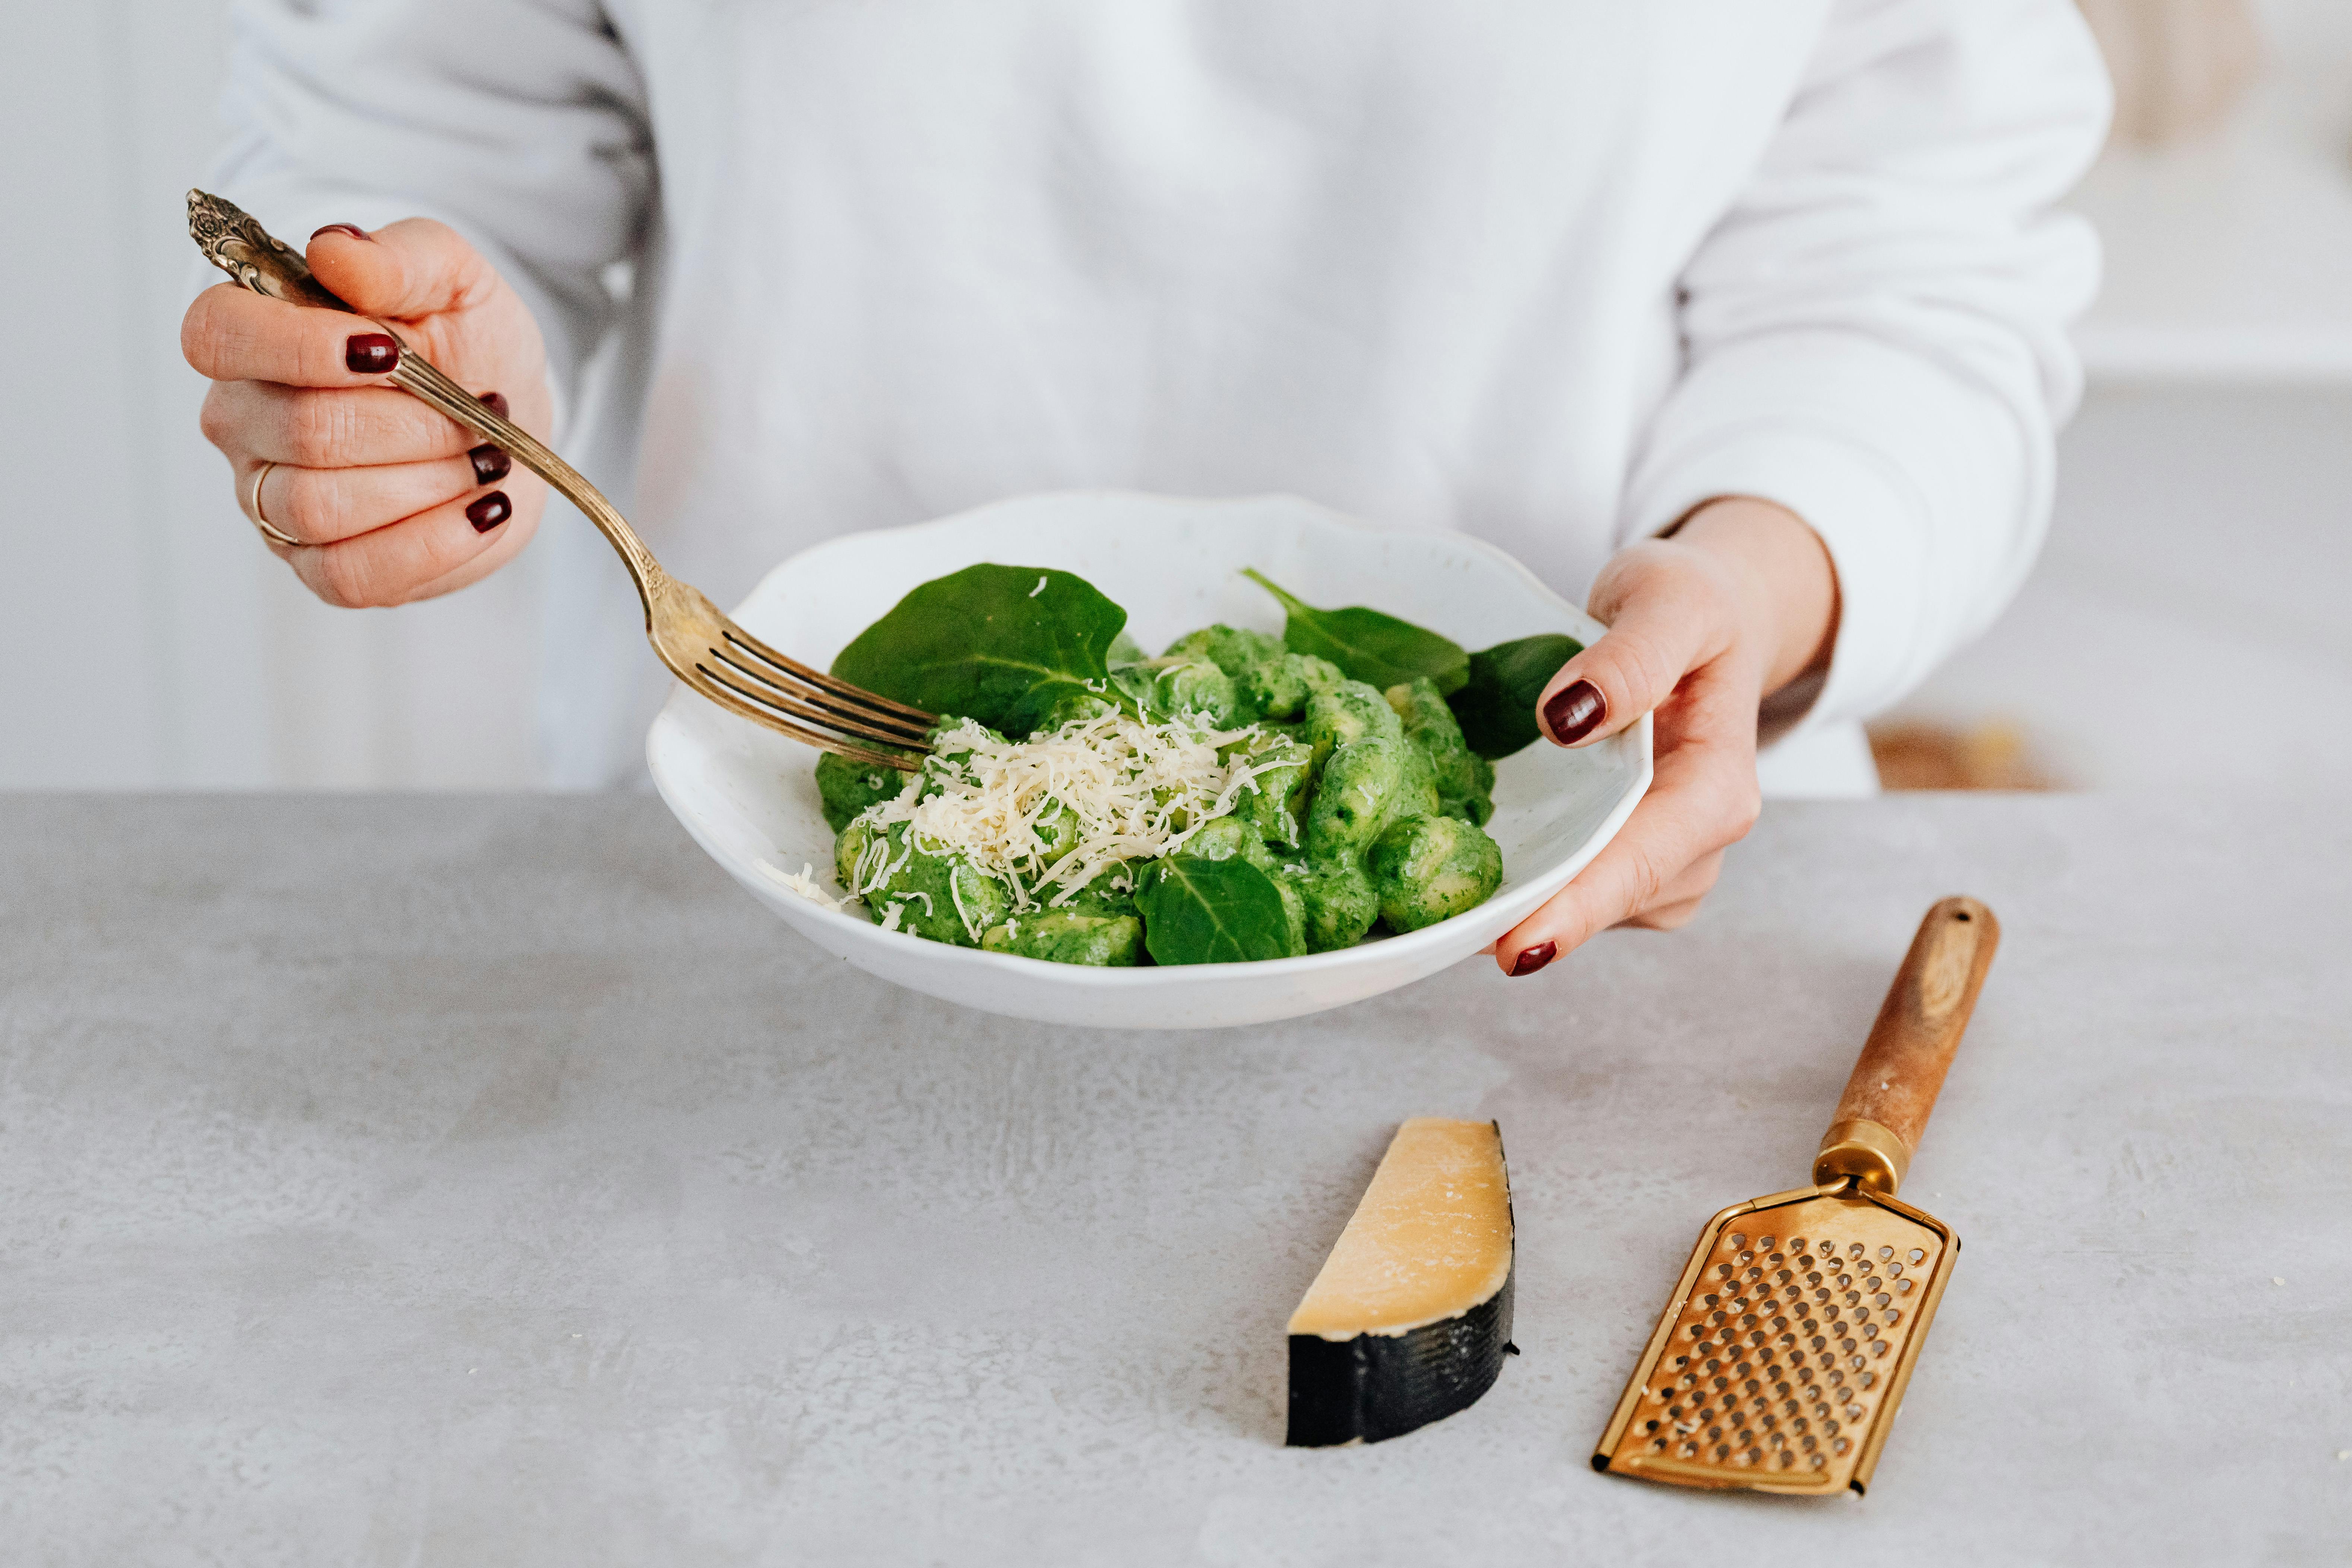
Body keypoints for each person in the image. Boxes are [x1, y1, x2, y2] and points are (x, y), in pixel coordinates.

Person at [181, 0, 2109, 978]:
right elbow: (422, 122)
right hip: (770, 918)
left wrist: (1758, 579)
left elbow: (1913, 257)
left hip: (1603, 932)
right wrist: (410, 370)